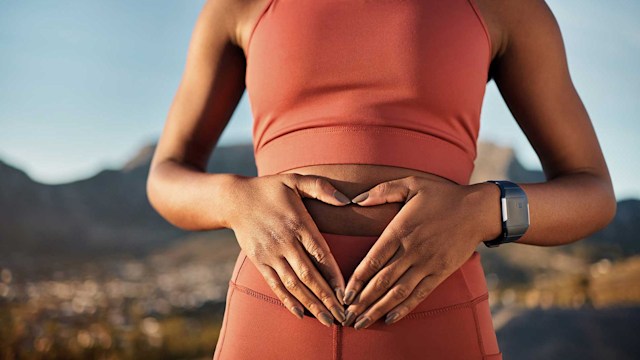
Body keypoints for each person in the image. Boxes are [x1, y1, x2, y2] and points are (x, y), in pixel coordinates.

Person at [146, 0, 616, 359]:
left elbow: (592, 191)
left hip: (436, 323)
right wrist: (236, 200)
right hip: (270, 324)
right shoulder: (239, 6)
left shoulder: (507, 8)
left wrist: (482, 211)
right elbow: (166, 176)